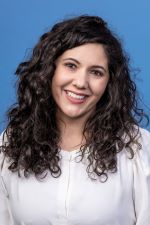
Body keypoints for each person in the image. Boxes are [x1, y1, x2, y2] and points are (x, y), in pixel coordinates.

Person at [0, 14, 150, 225]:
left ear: (109, 83)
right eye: (71, 65)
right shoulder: (10, 144)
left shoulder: (138, 148)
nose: (81, 82)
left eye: (96, 72)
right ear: (50, 69)